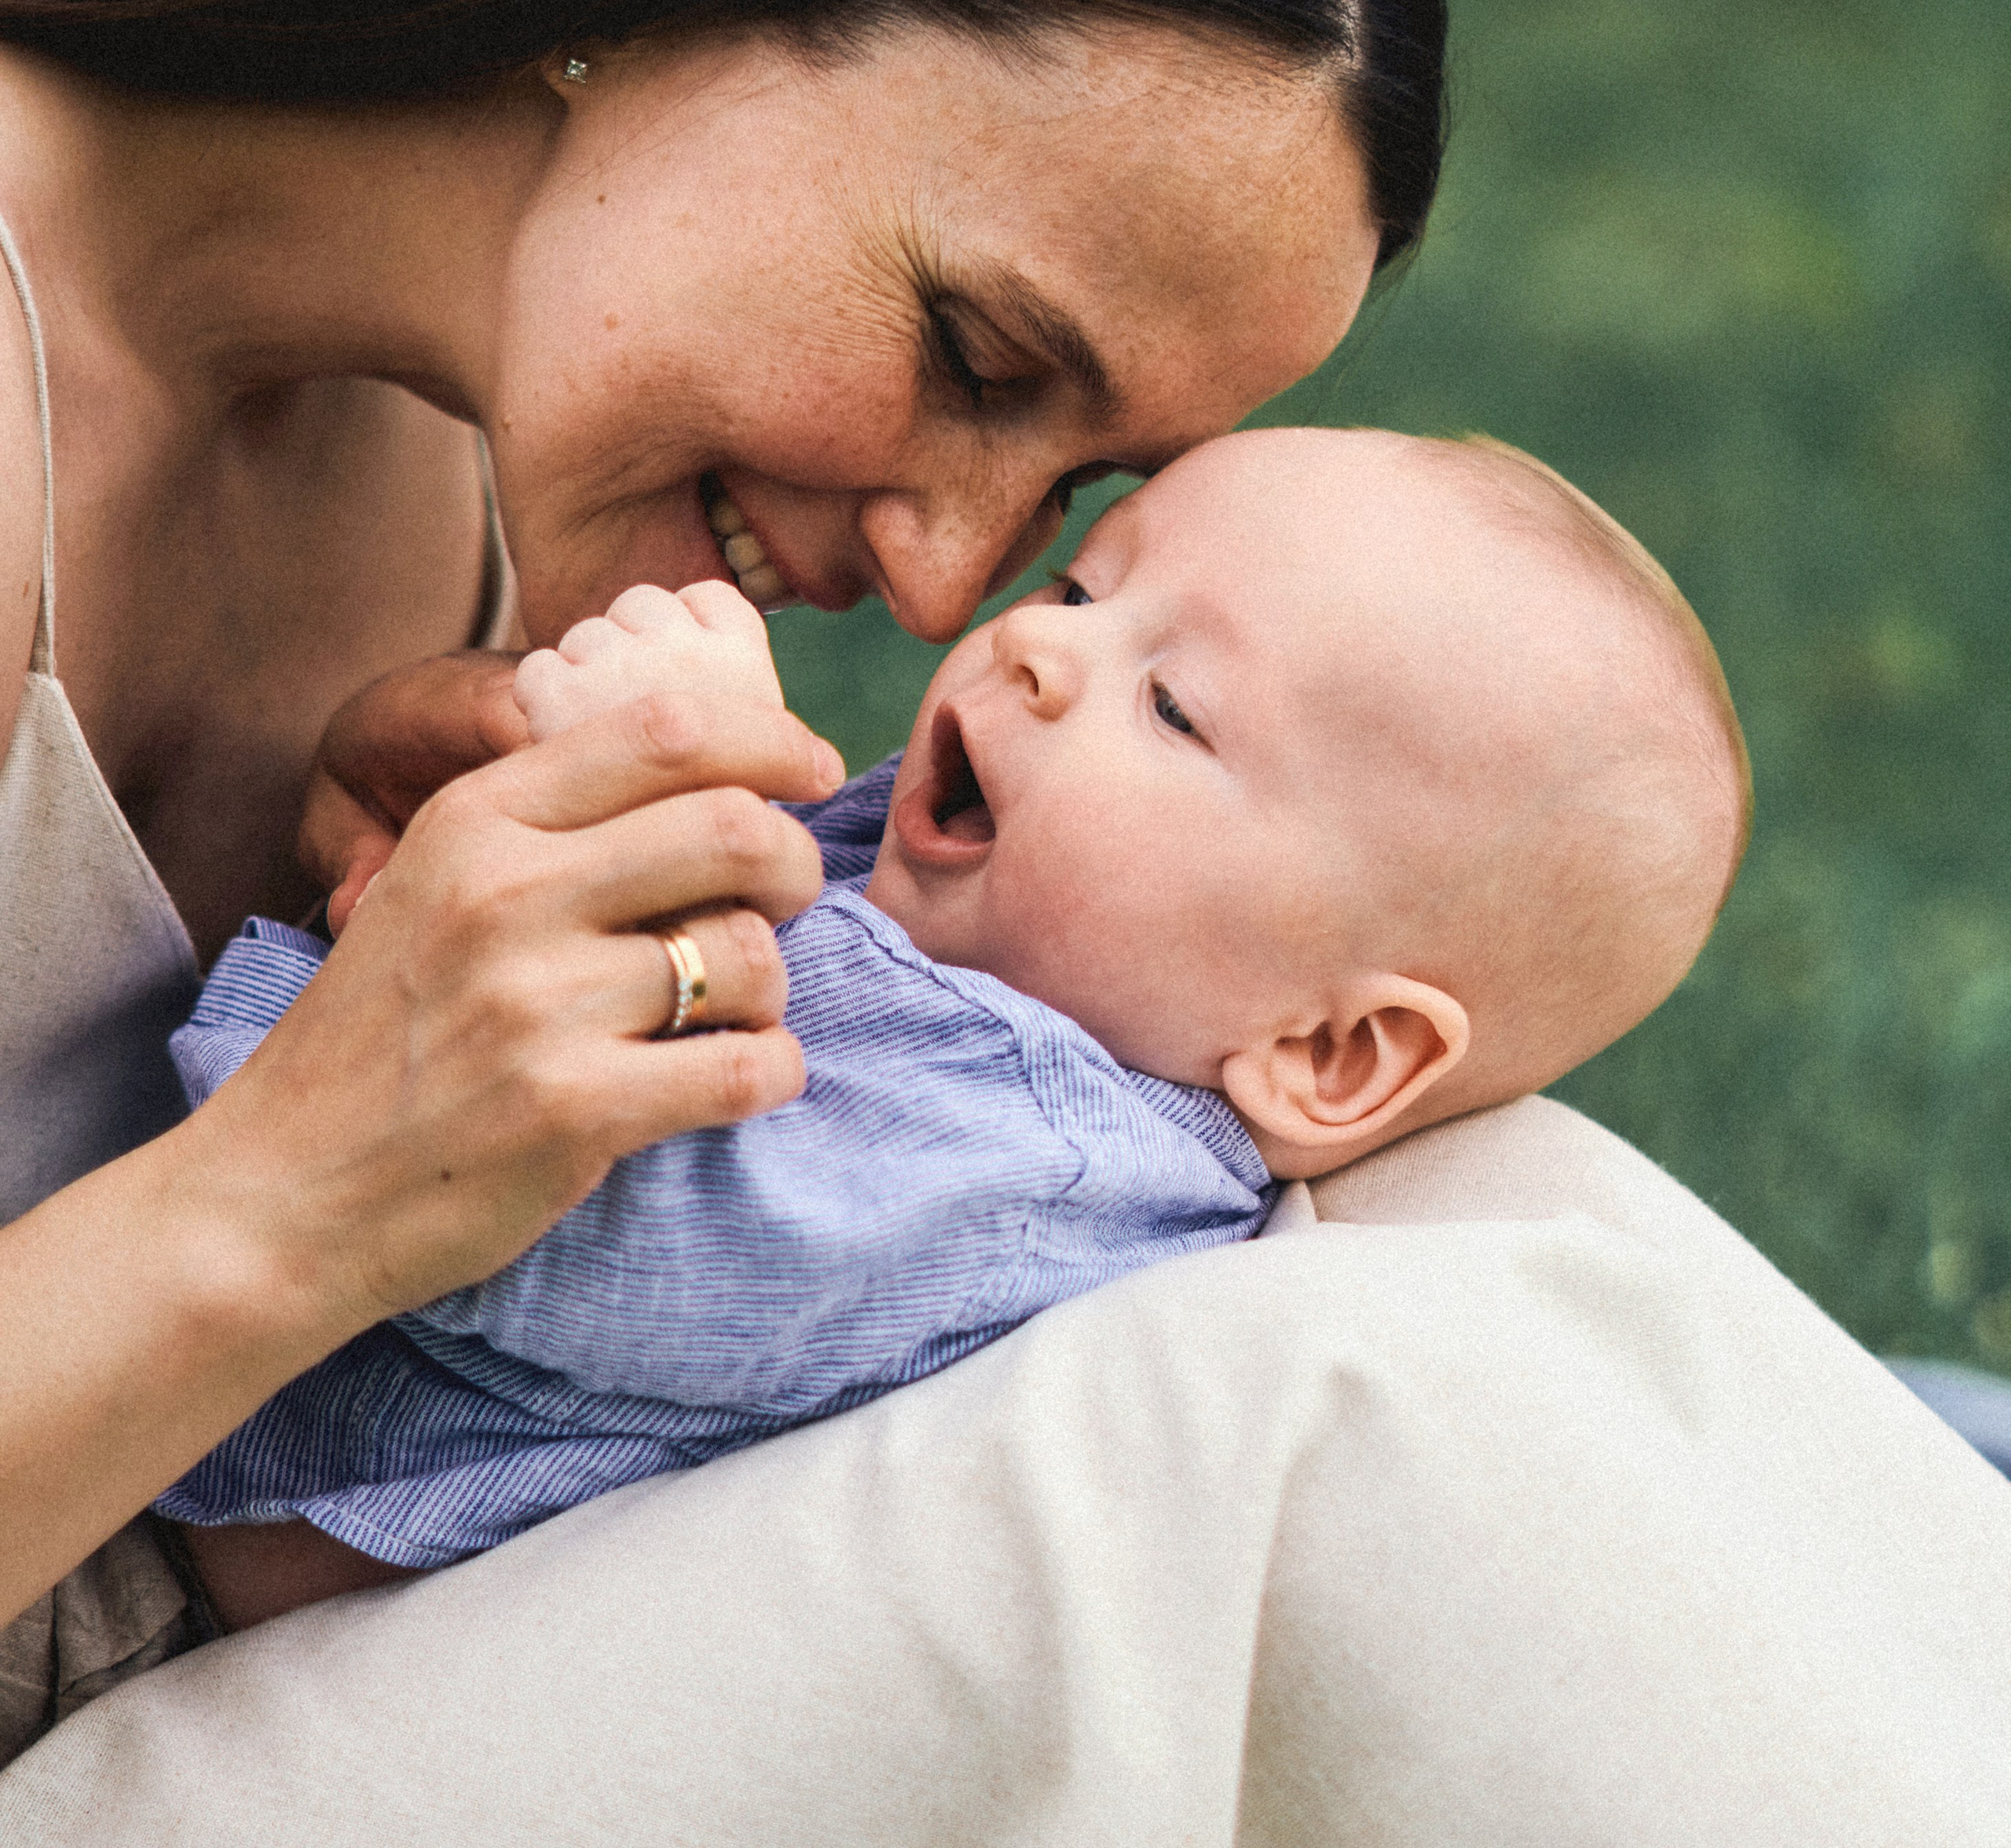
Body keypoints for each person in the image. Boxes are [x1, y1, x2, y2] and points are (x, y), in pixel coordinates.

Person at [0, 0, 1445, 1644]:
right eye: (977, 358)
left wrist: (358, 956)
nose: (956, 582)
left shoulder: (477, 497)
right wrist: (300, 1190)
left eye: (1078, 491)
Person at [118, 427, 1740, 1657]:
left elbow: (593, 1250)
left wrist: (664, 811)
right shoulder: (957, 915)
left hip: (165, 1585)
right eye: (1087, 589)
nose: (1039, 648)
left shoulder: (1033, 1157)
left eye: (1171, 706)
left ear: (1325, 1057)